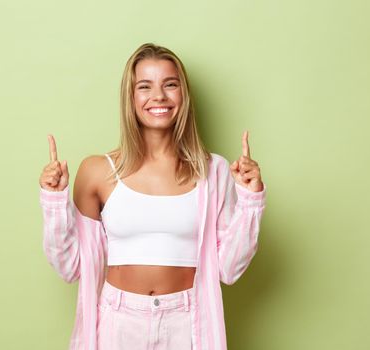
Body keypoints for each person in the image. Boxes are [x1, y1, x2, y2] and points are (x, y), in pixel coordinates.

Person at [38, 43, 267, 350]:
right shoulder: (97, 171)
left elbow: (228, 268)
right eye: (145, 86)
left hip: (187, 321)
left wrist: (251, 201)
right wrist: (54, 202)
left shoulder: (214, 171)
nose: (158, 96)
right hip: (119, 321)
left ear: (183, 95)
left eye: (170, 85)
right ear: (131, 98)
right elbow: (70, 268)